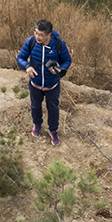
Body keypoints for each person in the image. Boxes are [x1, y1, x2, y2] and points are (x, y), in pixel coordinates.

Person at [16, 18, 71, 146]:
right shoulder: (31, 42)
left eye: (41, 34)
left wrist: (59, 69)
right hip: (35, 84)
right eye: (36, 33)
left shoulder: (59, 44)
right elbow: (20, 58)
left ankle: (53, 131)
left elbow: (67, 61)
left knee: (53, 109)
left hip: (52, 85)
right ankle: (37, 125)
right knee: (35, 106)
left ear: (49, 35)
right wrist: (27, 66)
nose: (37, 37)